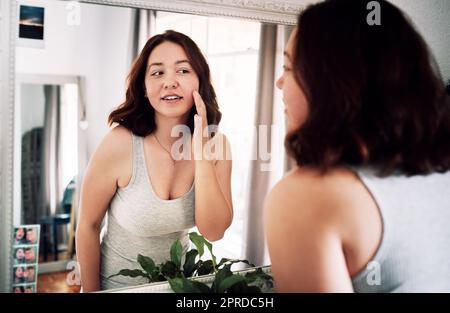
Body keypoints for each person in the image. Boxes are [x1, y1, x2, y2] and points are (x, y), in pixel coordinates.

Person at [264, 0, 450, 292]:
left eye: (287, 67)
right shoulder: (439, 172)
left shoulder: (308, 197)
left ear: (330, 83)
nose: (278, 82)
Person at [76, 30, 233, 292]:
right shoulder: (119, 144)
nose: (170, 82)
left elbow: (214, 231)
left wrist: (201, 154)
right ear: (144, 88)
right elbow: (88, 227)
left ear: (200, 81)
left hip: (179, 289)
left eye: (183, 71)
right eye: (157, 73)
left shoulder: (218, 145)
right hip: (115, 288)